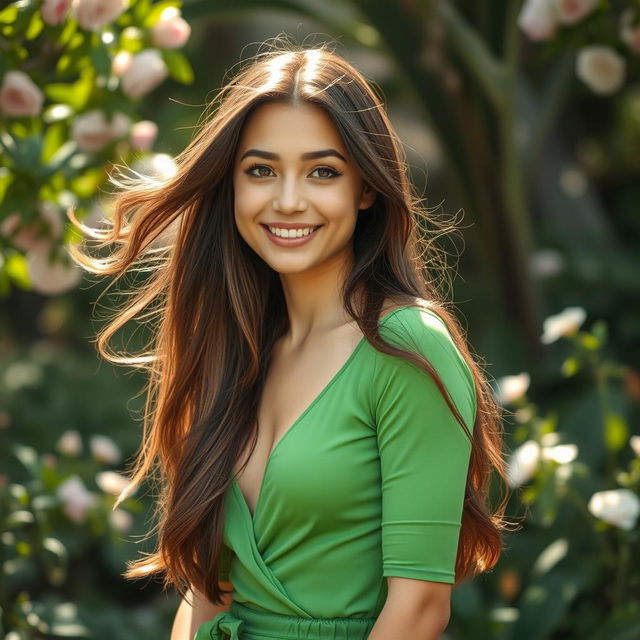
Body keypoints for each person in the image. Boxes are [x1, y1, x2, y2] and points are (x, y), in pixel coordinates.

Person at [68, 38, 512, 640]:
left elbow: (419, 610)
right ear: (233, 186)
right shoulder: (235, 346)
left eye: (322, 171)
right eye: (261, 170)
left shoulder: (406, 346)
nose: (287, 200)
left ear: (365, 189)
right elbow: (208, 595)